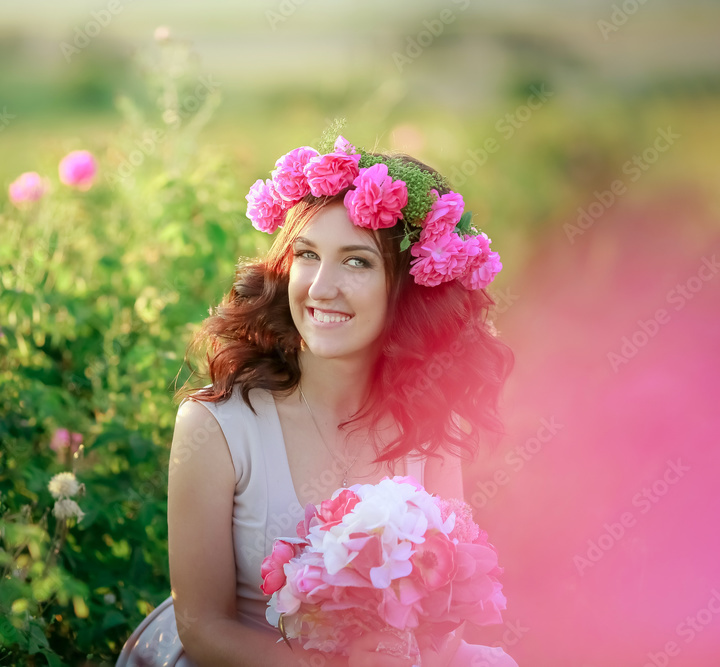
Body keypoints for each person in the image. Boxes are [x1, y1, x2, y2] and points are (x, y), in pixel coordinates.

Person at [117, 136, 517, 667]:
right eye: (307, 255)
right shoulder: (217, 426)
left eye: (357, 262)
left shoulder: (426, 426)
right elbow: (202, 628)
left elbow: (450, 600)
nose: (321, 287)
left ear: (409, 290)